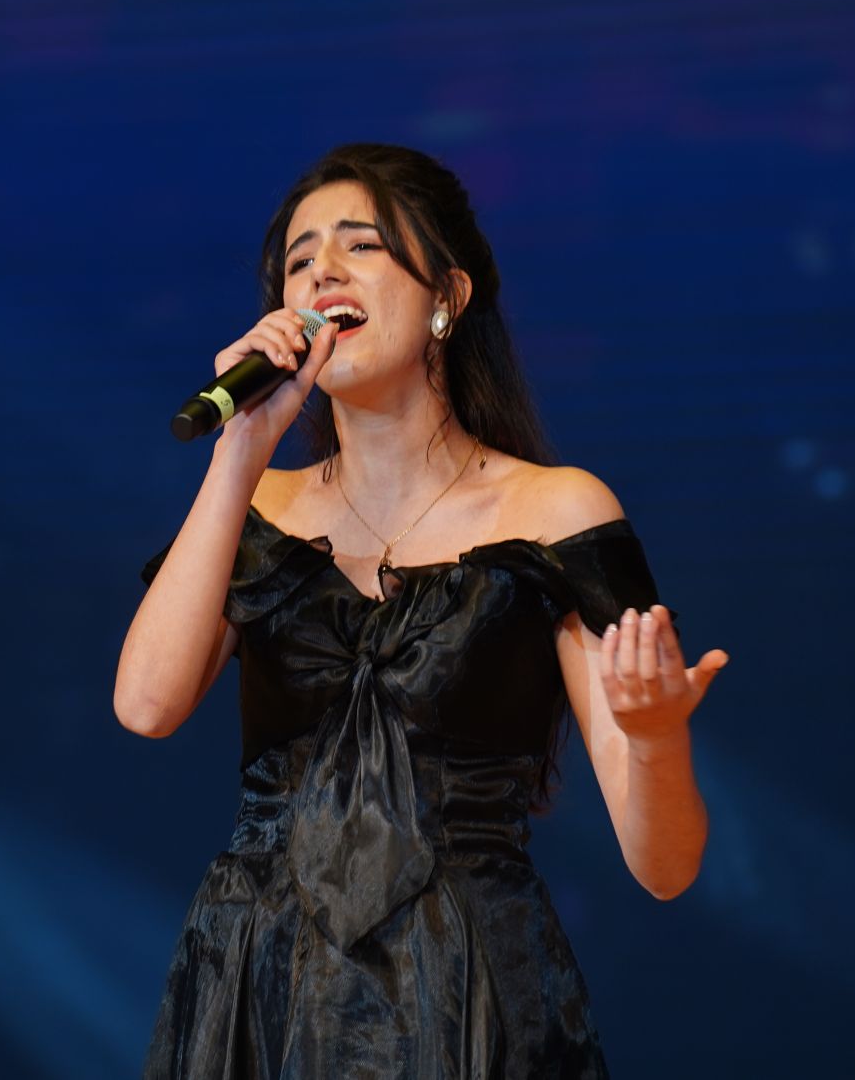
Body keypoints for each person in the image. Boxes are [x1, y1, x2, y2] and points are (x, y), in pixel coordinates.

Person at [114, 143, 730, 1079]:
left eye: (360, 245)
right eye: (300, 260)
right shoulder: (260, 505)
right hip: (261, 987)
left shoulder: (555, 511)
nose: (323, 271)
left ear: (447, 294)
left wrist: (653, 736)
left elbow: (667, 866)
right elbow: (146, 704)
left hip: (468, 988)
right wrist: (240, 451)